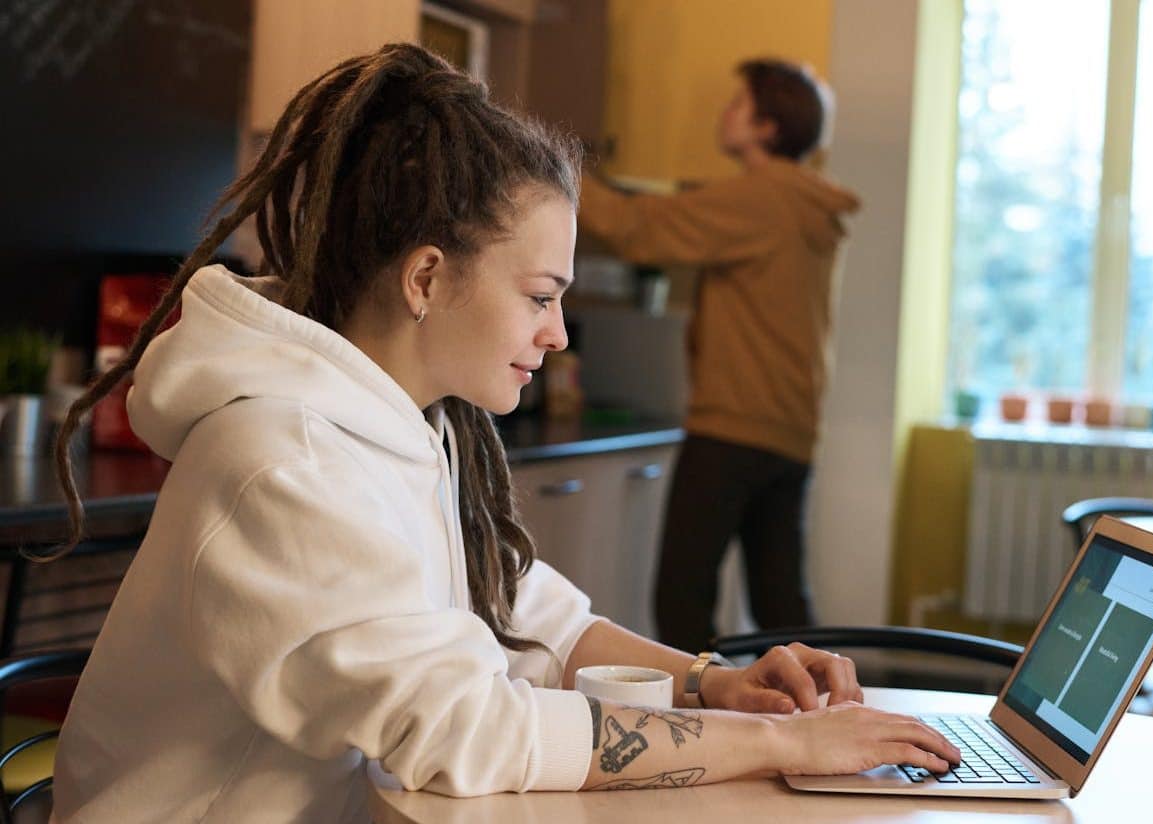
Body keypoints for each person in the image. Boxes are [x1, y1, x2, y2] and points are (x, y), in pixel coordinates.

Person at [47, 45, 955, 823]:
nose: (557, 334)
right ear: (428, 278)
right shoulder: (289, 462)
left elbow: (519, 608)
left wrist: (712, 680)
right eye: (539, 297)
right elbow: (468, 733)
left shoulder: (400, 424)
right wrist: (776, 742)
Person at [577, 59, 860, 653]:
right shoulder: (806, 203)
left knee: (681, 597)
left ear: (766, 126)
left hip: (732, 426)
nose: (724, 113)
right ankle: (825, 716)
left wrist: (549, 168)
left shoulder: (763, 196)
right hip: (790, 430)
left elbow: (638, 229)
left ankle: (701, 727)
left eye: (738, 104)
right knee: (780, 603)